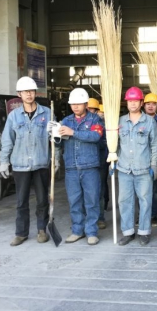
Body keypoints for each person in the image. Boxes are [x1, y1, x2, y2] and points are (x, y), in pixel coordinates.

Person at [0, 76, 51, 246]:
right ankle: (21, 233)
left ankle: (42, 230)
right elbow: (7, 140)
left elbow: (55, 138)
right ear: (19, 94)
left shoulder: (47, 113)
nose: (29, 94)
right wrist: (4, 161)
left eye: (31, 91)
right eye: (25, 91)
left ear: (35, 93)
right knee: (21, 201)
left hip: (41, 163)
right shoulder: (14, 116)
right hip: (20, 164)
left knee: (42, 199)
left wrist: (56, 158)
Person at [55, 88, 104, 245]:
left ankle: (91, 232)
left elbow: (95, 136)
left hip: (90, 167)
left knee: (92, 200)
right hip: (71, 167)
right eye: (72, 104)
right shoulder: (66, 121)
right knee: (74, 201)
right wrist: (54, 135)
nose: (75, 106)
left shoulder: (95, 119)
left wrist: (73, 133)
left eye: (78, 103)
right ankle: (77, 231)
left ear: (85, 104)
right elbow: (59, 143)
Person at [116, 87, 157, 246]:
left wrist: (154, 164)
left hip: (143, 169)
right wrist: (113, 159)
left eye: (136, 101)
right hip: (124, 168)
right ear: (126, 103)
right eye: (130, 101)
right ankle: (128, 232)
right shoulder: (120, 121)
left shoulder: (149, 121)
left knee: (145, 201)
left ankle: (144, 231)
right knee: (124, 201)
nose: (133, 104)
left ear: (141, 103)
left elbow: (155, 144)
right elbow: (115, 143)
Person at [143, 92, 157, 227]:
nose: (151, 106)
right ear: (143, 105)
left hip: (156, 158)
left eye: (154, 104)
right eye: (148, 104)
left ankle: (154, 215)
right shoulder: (139, 120)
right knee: (141, 188)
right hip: (140, 158)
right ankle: (143, 215)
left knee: (155, 188)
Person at [96, 103, 109, 230]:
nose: (100, 115)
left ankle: (100, 216)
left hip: (101, 160)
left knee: (100, 188)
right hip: (86, 161)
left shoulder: (106, 125)